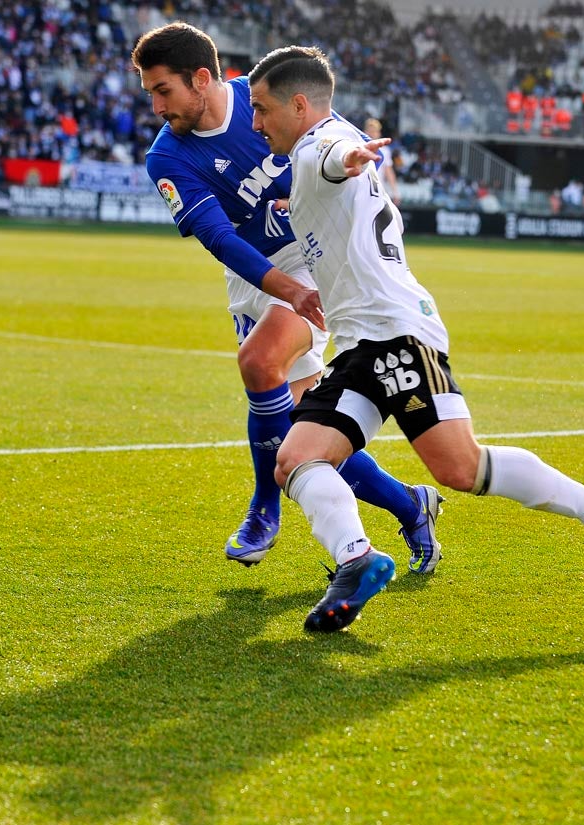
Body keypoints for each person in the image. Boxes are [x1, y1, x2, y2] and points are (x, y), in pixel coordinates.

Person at [247, 45, 584, 633]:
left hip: (395, 336)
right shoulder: (315, 152)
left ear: (300, 104)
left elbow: (336, 157)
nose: (256, 122)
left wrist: (352, 154)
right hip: (362, 341)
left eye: (262, 109)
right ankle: (356, 562)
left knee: (460, 469)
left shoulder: (321, 146)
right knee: (296, 459)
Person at [131, 23, 445, 574]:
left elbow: (331, 135)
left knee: (258, 362)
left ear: (201, 79)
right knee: (300, 424)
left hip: (312, 259)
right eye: (150, 93)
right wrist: (286, 290)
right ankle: (409, 503)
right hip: (256, 276)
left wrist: (344, 163)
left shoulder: (266, 97)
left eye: (164, 91)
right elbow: (219, 238)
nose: (157, 106)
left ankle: (263, 509)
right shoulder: (167, 158)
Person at [363, 117, 400, 206]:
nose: (371, 133)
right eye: (369, 130)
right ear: (364, 132)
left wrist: (395, 191)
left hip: (377, 191)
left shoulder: (384, 150)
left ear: (379, 133)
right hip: (361, 189)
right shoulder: (358, 146)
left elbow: (388, 171)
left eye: (374, 131)